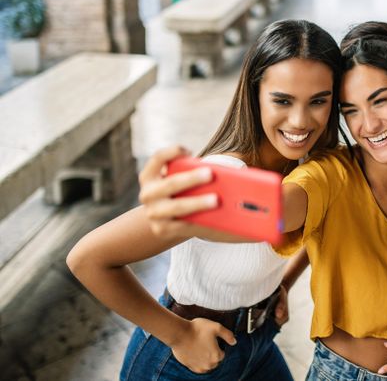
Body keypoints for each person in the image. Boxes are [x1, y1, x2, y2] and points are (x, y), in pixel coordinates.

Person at [140, 22, 387, 381]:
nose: (370, 124)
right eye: (351, 110)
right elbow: (276, 208)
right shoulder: (328, 174)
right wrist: (193, 197)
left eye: (380, 100)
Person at [66, 19, 344, 380]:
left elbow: (317, 219)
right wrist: (178, 334)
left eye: (318, 101)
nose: (299, 120)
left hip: (257, 341)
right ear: (254, 93)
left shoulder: (310, 164)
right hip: (184, 357)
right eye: (282, 100)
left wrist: (282, 285)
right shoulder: (222, 173)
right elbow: (88, 259)